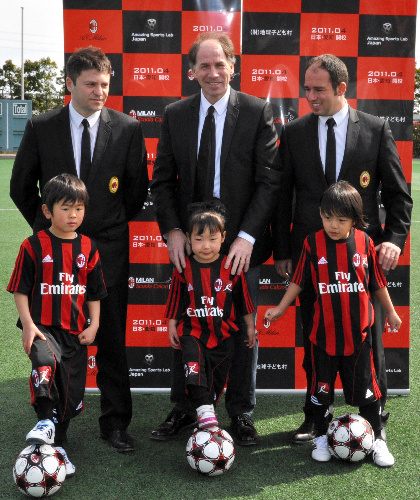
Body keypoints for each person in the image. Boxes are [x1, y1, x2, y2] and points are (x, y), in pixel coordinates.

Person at [10, 46, 149, 453]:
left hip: (108, 253)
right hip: (54, 261)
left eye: (105, 84)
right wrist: (51, 235)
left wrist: (102, 230)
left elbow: (135, 192)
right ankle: (56, 425)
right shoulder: (41, 126)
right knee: (55, 347)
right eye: (90, 84)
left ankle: (115, 423)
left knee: (112, 341)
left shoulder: (127, 128)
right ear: (69, 84)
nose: (99, 91)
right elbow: (21, 187)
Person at [271, 54, 412, 444]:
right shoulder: (294, 132)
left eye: (319, 89)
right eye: (307, 89)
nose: (311, 96)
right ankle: (315, 417)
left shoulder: (375, 129)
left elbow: (399, 195)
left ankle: (374, 417)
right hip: (311, 257)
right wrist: (282, 250)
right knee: (315, 338)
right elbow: (282, 198)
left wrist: (393, 240)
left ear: (341, 88)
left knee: (368, 340)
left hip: (360, 259)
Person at [151, 32, 280, 445]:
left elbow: (269, 182)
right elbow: (162, 181)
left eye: (219, 64)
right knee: (188, 329)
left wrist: (246, 237)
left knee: (242, 329)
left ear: (232, 66)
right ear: (192, 71)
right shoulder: (175, 114)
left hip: (240, 247)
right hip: (191, 249)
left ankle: (240, 412)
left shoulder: (257, 111)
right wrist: (173, 231)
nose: (212, 72)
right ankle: (185, 408)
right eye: (203, 65)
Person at [266, 181, 401, 467]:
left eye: (341, 219)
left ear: (355, 219)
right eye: (328, 218)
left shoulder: (365, 242)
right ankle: (321, 438)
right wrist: (280, 308)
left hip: (358, 337)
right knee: (321, 392)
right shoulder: (312, 243)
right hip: (323, 337)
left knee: (368, 393)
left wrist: (391, 312)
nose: (333, 225)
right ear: (320, 214)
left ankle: (377, 440)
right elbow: (299, 280)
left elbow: (377, 282)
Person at [7, 174, 107, 477]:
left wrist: (94, 325)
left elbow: (94, 292)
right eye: (65, 208)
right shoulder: (33, 245)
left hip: (75, 332)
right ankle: (44, 421)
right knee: (44, 362)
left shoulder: (88, 247)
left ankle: (58, 444)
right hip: (43, 327)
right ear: (47, 211)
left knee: (70, 394)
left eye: (79, 209)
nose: (73, 215)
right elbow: (20, 290)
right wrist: (28, 325)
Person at [166, 202, 256, 430]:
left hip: (223, 336)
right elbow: (175, 300)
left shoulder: (231, 267)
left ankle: (208, 410)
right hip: (192, 332)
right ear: (188, 238)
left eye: (212, 239)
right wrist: (171, 324)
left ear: (223, 237)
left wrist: (250, 327)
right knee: (192, 364)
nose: (206, 246)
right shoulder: (183, 268)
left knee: (216, 379)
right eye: (199, 239)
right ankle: (203, 411)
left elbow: (244, 301)